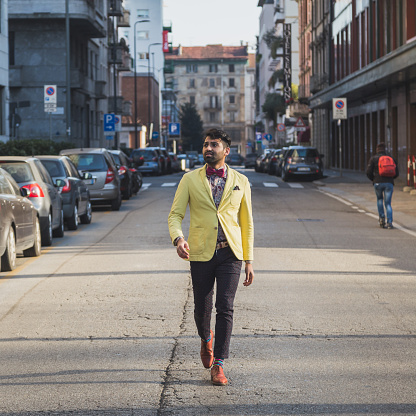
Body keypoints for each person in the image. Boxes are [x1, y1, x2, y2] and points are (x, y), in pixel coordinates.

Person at [168, 128, 254, 386]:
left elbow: (246, 222)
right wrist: (178, 238)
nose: (208, 148)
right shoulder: (190, 179)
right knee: (201, 309)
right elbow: (175, 215)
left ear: (226, 151)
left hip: (231, 253)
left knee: (225, 307)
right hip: (201, 252)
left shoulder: (241, 180)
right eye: (205, 144)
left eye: (214, 145)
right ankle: (206, 338)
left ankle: (219, 365)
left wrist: (249, 259)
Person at [366, 142, 399, 229]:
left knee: (380, 200)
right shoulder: (391, 158)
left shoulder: (373, 158)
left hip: (378, 183)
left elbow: (368, 172)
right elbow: (397, 173)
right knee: (388, 203)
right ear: (385, 149)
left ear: (377, 149)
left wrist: (373, 179)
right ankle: (390, 222)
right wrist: (391, 179)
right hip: (389, 183)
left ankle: (381, 219)